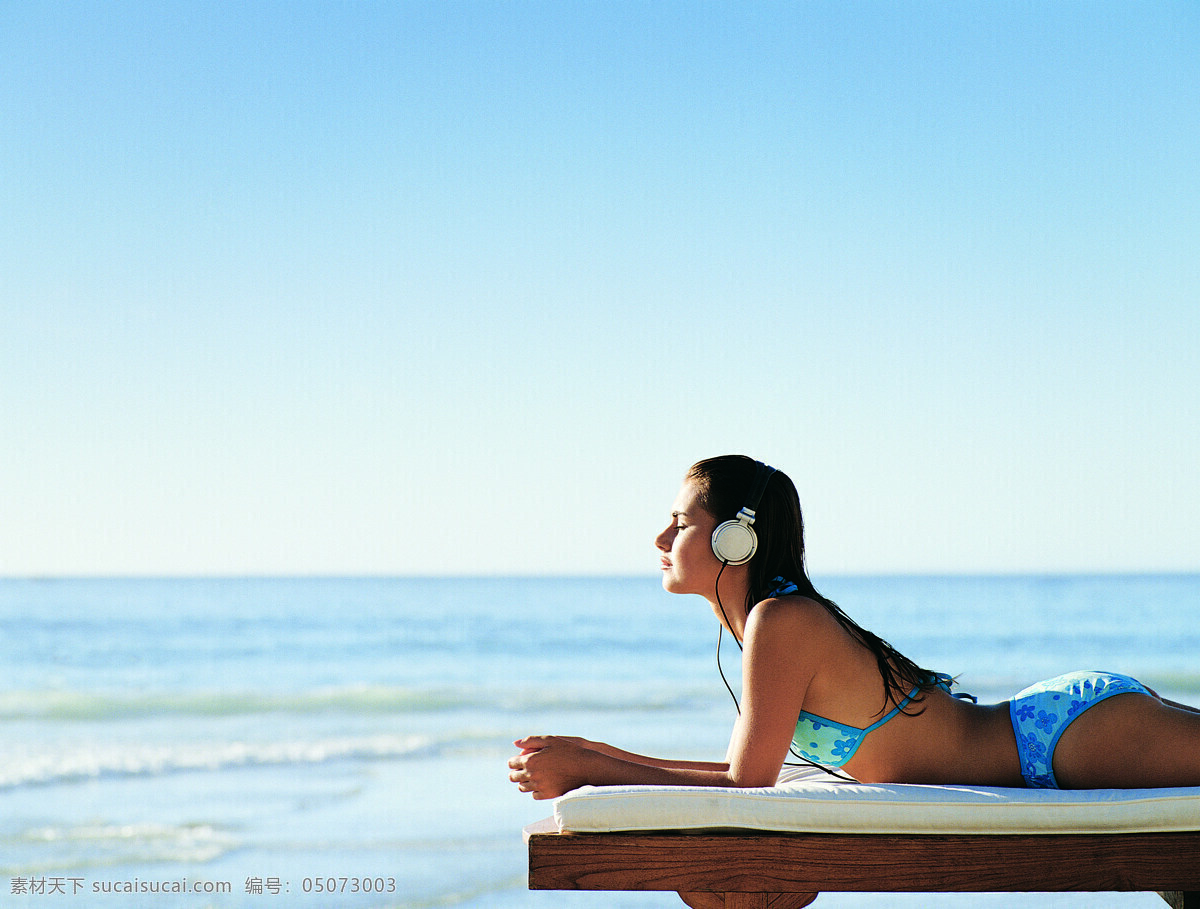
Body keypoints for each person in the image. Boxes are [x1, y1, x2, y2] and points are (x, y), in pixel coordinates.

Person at [509, 455, 1200, 800]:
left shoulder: (782, 622)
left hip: (1056, 742)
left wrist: (593, 769)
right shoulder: (767, 625)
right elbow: (746, 772)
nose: (660, 535)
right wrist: (590, 752)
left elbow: (746, 788)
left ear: (732, 541)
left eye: (682, 521)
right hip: (1055, 731)